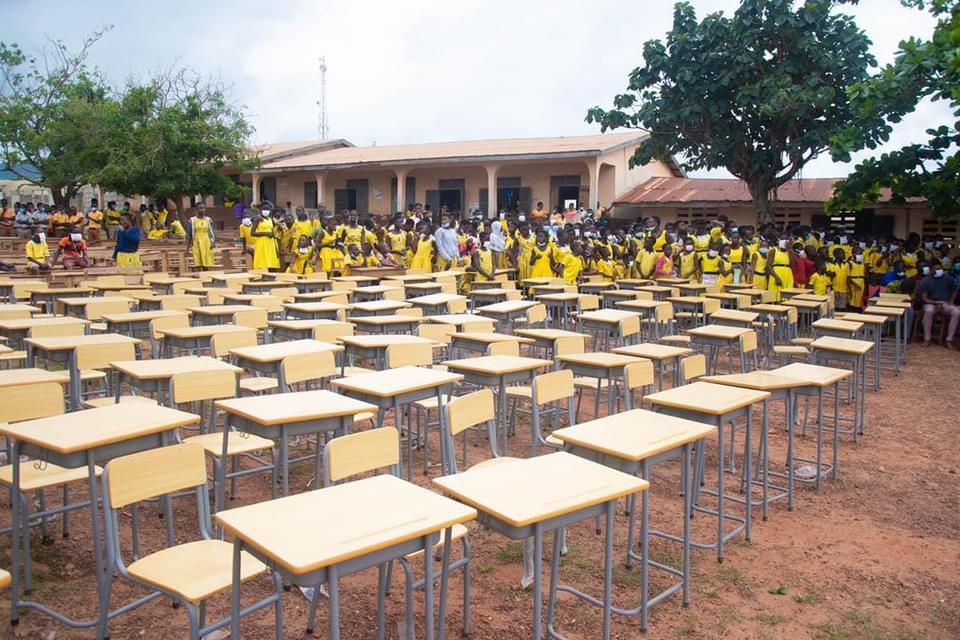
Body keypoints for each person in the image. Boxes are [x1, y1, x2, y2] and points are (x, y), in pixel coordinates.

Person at [918, 264, 960, 347]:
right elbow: (924, 298)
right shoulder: (926, 280)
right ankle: (927, 339)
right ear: (932, 270)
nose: (939, 270)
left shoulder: (947, 278)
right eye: (937, 269)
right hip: (931, 303)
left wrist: (951, 301)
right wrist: (936, 302)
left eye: (940, 269)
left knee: (956, 312)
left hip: (946, 303)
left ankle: (949, 340)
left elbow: (955, 290)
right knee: (928, 311)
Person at [186, 204, 216, 270]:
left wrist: (213, 242)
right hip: (196, 241)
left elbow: (212, 232)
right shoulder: (192, 220)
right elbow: (189, 234)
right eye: (200, 208)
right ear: (196, 210)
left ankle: (205, 275)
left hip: (206, 241)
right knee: (198, 261)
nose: (202, 210)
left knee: (206, 260)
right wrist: (187, 247)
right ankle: (199, 276)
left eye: (203, 208)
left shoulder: (208, 220)